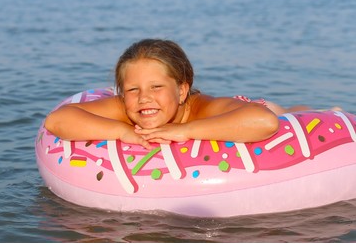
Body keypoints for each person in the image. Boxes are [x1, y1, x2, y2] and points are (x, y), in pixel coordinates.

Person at [45, 39, 313, 150]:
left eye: (157, 87)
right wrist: (122, 131)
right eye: (132, 89)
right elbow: (57, 121)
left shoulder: (204, 108)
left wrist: (185, 131)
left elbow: (264, 122)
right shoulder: (129, 108)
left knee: (292, 114)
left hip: (246, 108)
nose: (144, 98)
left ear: (182, 89)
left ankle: (324, 110)